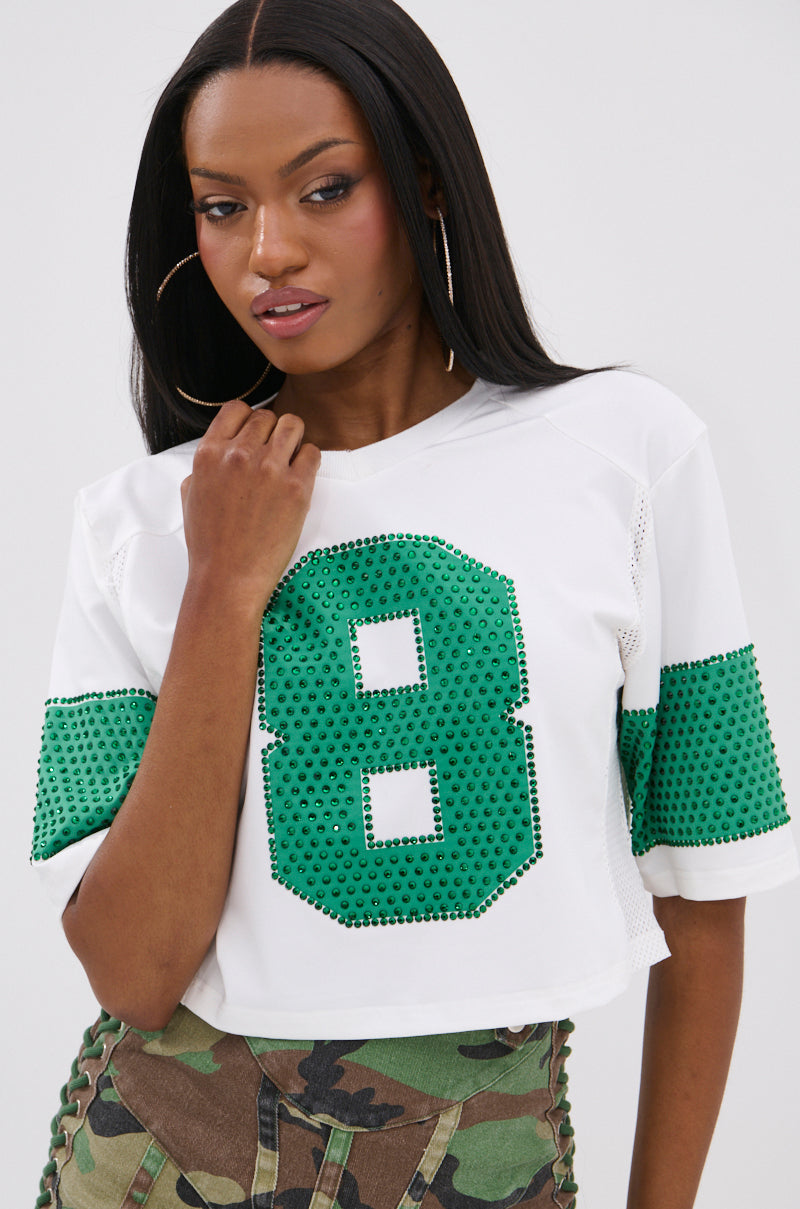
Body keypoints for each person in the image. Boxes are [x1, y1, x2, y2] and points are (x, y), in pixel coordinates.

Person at [31, 1, 798, 1207]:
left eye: (324, 189)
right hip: (165, 1160)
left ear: (426, 181)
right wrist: (224, 586)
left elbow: (704, 887)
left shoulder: (625, 453)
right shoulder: (141, 521)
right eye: (222, 206)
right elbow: (131, 971)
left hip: (484, 1160)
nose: (269, 250)